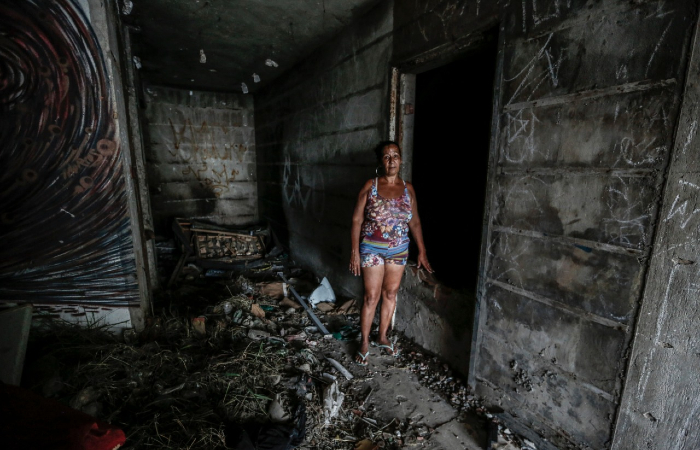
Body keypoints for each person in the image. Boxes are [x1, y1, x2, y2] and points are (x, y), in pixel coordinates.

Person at [349, 141, 433, 366]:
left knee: (390, 293)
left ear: (401, 160)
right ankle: (365, 342)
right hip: (371, 248)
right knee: (371, 296)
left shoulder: (409, 188)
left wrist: (422, 251)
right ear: (381, 162)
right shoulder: (371, 185)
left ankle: (382, 336)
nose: (391, 160)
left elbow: (415, 222)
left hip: (399, 249)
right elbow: (357, 220)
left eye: (395, 155)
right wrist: (355, 252)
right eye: (386, 156)